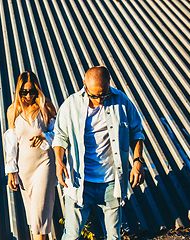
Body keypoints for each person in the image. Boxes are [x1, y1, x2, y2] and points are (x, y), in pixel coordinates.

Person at [52, 66, 145, 240]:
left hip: (111, 181)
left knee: (113, 236)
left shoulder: (122, 101)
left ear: (109, 84)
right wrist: (59, 161)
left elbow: (137, 132)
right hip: (80, 182)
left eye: (103, 94)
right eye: (94, 95)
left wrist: (138, 160)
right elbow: (60, 136)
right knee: (71, 235)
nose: (99, 100)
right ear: (84, 85)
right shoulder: (71, 104)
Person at [4, 71, 57, 240]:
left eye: (32, 91)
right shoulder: (13, 111)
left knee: (40, 213)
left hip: (44, 163)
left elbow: (60, 133)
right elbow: (11, 142)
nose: (28, 95)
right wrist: (11, 170)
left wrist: (45, 136)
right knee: (33, 215)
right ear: (18, 92)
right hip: (24, 169)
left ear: (37, 90)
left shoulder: (45, 106)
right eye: (24, 92)